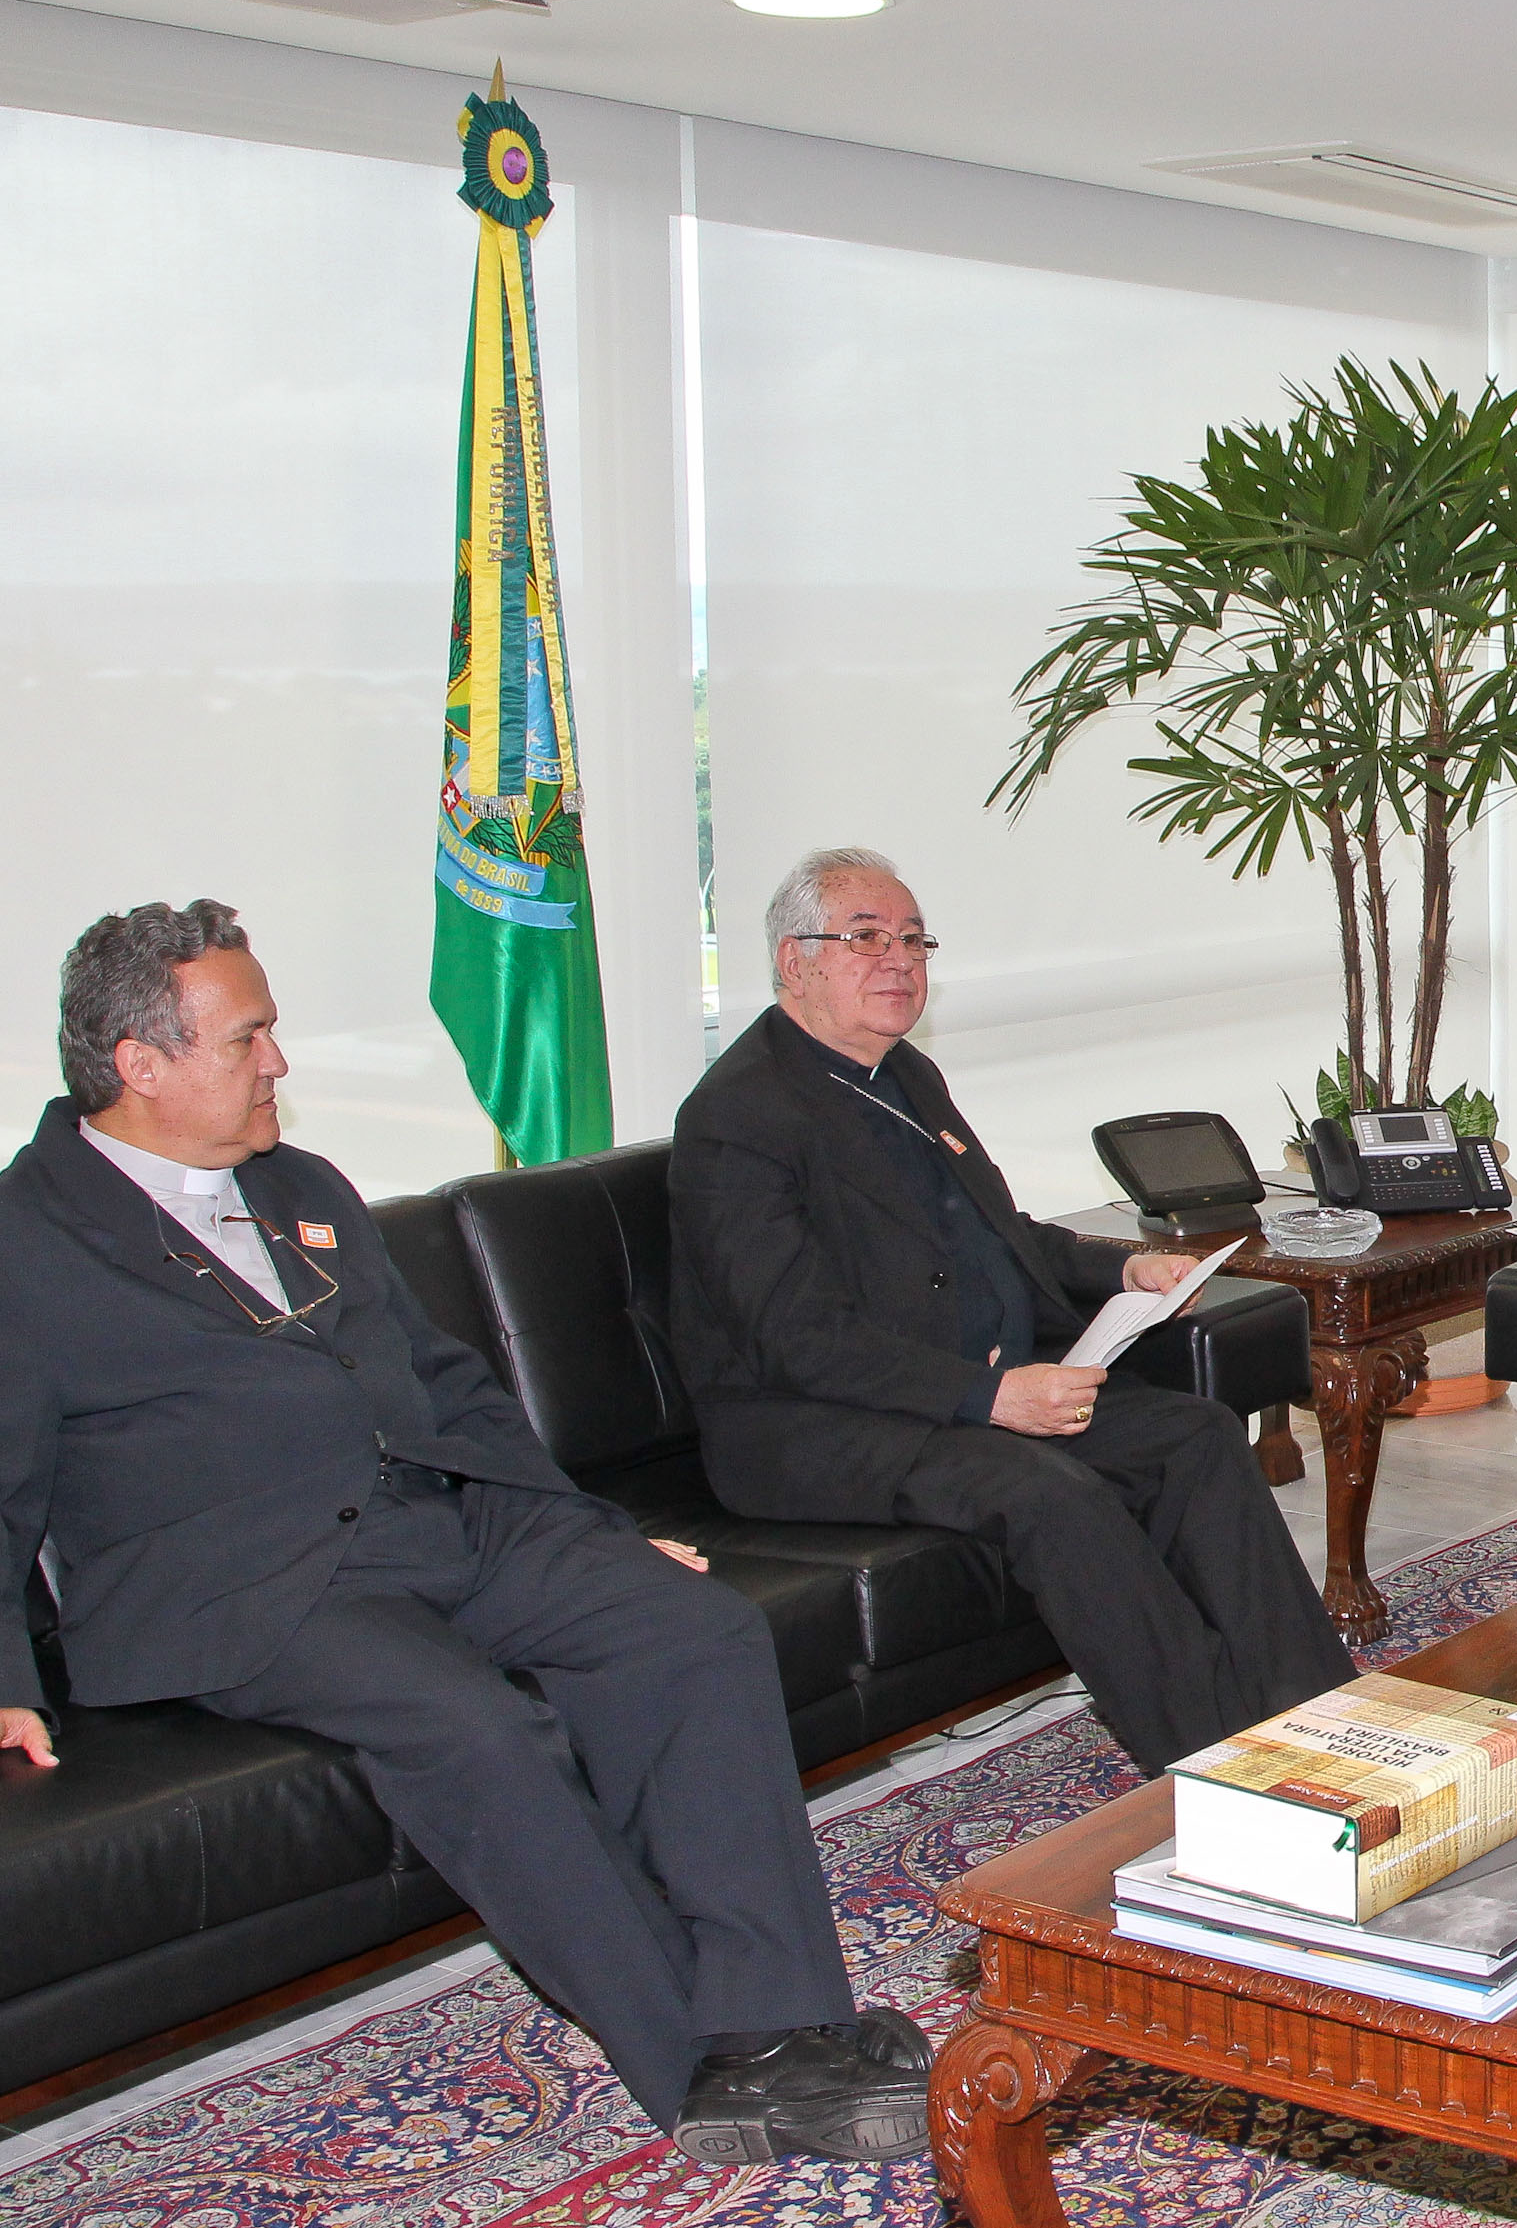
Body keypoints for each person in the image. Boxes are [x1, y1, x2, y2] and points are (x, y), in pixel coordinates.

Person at [0, 903, 927, 2166]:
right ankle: (699, 2073)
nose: (278, 1062)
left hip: (444, 1518)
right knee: (483, 1728)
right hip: (248, 1585)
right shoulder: (28, 1243)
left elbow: (449, 1385)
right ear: (139, 1064)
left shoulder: (299, 1184)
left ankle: (779, 2026)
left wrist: (588, 1530)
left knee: (690, 1631)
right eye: (249, 1038)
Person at [667, 848, 1352, 1777]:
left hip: (963, 1386)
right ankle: (1217, 1771)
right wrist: (991, 1397)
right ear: (796, 961)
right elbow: (794, 1338)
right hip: (818, 1424)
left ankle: (1318, 1720)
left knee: (1191, 1435)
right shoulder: (738, 1116)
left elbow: (1001, 1233)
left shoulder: (903, 1075)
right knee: (1050, 1493)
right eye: (866, 939)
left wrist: (1125, 1268)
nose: (899, 961)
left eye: (913, 939)